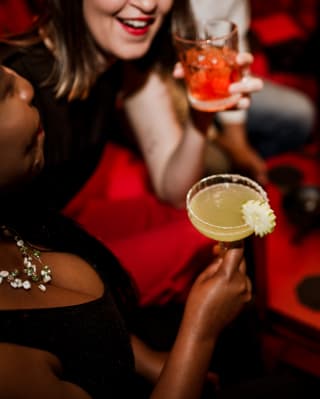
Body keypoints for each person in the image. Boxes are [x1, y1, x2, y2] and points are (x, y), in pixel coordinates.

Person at [0, 64, 317, 399]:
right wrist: (200, 332)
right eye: (4, 92)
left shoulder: (15, 215)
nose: (27, 86)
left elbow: (77, 330)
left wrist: (152, 363)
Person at [0, 0, 264, 306]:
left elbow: (173, 190)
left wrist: (201, 116)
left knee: (216, 218)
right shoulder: (16, 88)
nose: (148, 3)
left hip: (57, 226)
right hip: (24, 251)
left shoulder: (124, 61)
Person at [190, 0, 316, 185]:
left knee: (301, 116)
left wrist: (238, 142)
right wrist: (228, 145)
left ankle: (249, 161)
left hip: (216, 79)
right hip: (172, 97)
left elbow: (233, 48)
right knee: (217, 164)